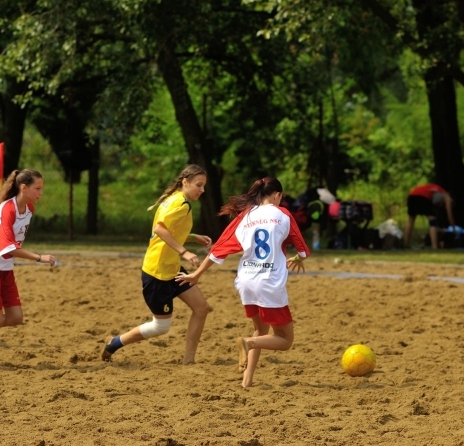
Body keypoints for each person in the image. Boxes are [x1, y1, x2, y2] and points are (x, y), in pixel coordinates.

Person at [176, 177, 310, 388]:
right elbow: (302, 250)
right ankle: (247, 343)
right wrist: (298, 259)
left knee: (260, 331)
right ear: (277, 195)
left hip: (246, 281)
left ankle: (247, 380)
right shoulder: (283, 214)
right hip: (268, 282)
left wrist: (197, 275)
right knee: (285, 340)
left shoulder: (245, 215)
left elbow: (218, 249)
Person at [100, 164, 213, 365]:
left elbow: (170, 230)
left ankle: (188, 360)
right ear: (185, 182)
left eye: (204, 185)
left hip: (171, 268)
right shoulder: (180, 204)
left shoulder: (175, 199)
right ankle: (115, 343)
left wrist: (192, 237)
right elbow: (160, 230)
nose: (202, 190)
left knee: (201, 308)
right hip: (157, 273)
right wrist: (185, 252)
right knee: (161, 327)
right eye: (199, 185)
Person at [0, 168, 56, 368]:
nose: (41, 193)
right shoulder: (8, 210)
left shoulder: (29, 209)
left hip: (4, 266)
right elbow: (9, 247)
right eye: (37, 188)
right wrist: (39, 258)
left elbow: (12, 245)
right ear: (23, 188)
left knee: (15, 317)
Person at [403, 183, 455, 249]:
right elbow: (450, 216)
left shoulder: (437, 190)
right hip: (423, 197)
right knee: (433, 221)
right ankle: (434, 246)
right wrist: (454, 229)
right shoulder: (447, 196)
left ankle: (406, 245)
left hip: (412, 195)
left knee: (410, 221)